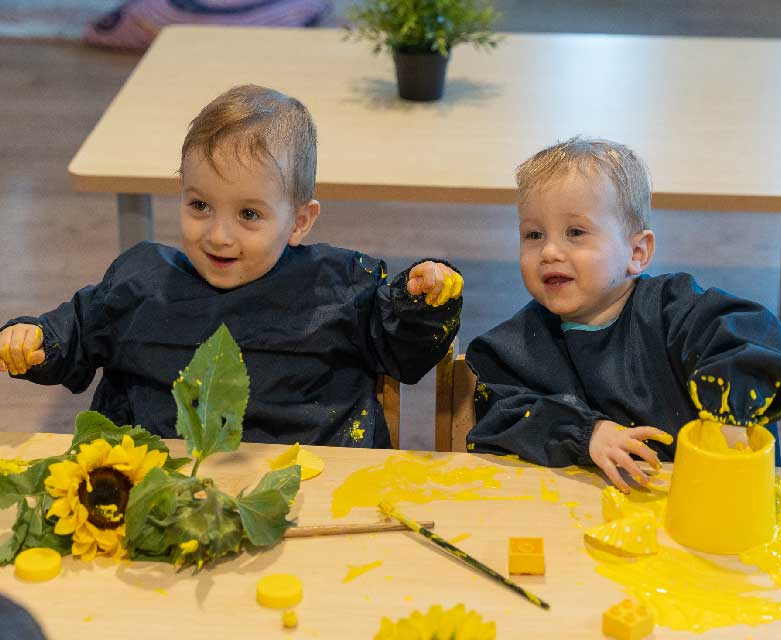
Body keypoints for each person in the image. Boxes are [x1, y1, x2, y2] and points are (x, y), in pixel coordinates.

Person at [0, 85, 463, 448]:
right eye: (200, 205)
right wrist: (36, 340)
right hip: (162, 488)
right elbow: (75, 332)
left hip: (312, 485)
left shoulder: (340, 286)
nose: (218, 236)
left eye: (248, 215)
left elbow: (405, 348)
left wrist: (419, 302)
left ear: (299, 221)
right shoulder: (140, 281)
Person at [465, 137, 781, 492]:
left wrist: (729, 414)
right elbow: (502, 414)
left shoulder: (676, 311)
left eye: (575, 232)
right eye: (533, 234)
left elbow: (753, 340)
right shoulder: (515, 348)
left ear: (637, 252)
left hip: (705, 508)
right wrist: (586, 433)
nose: (548, 251)